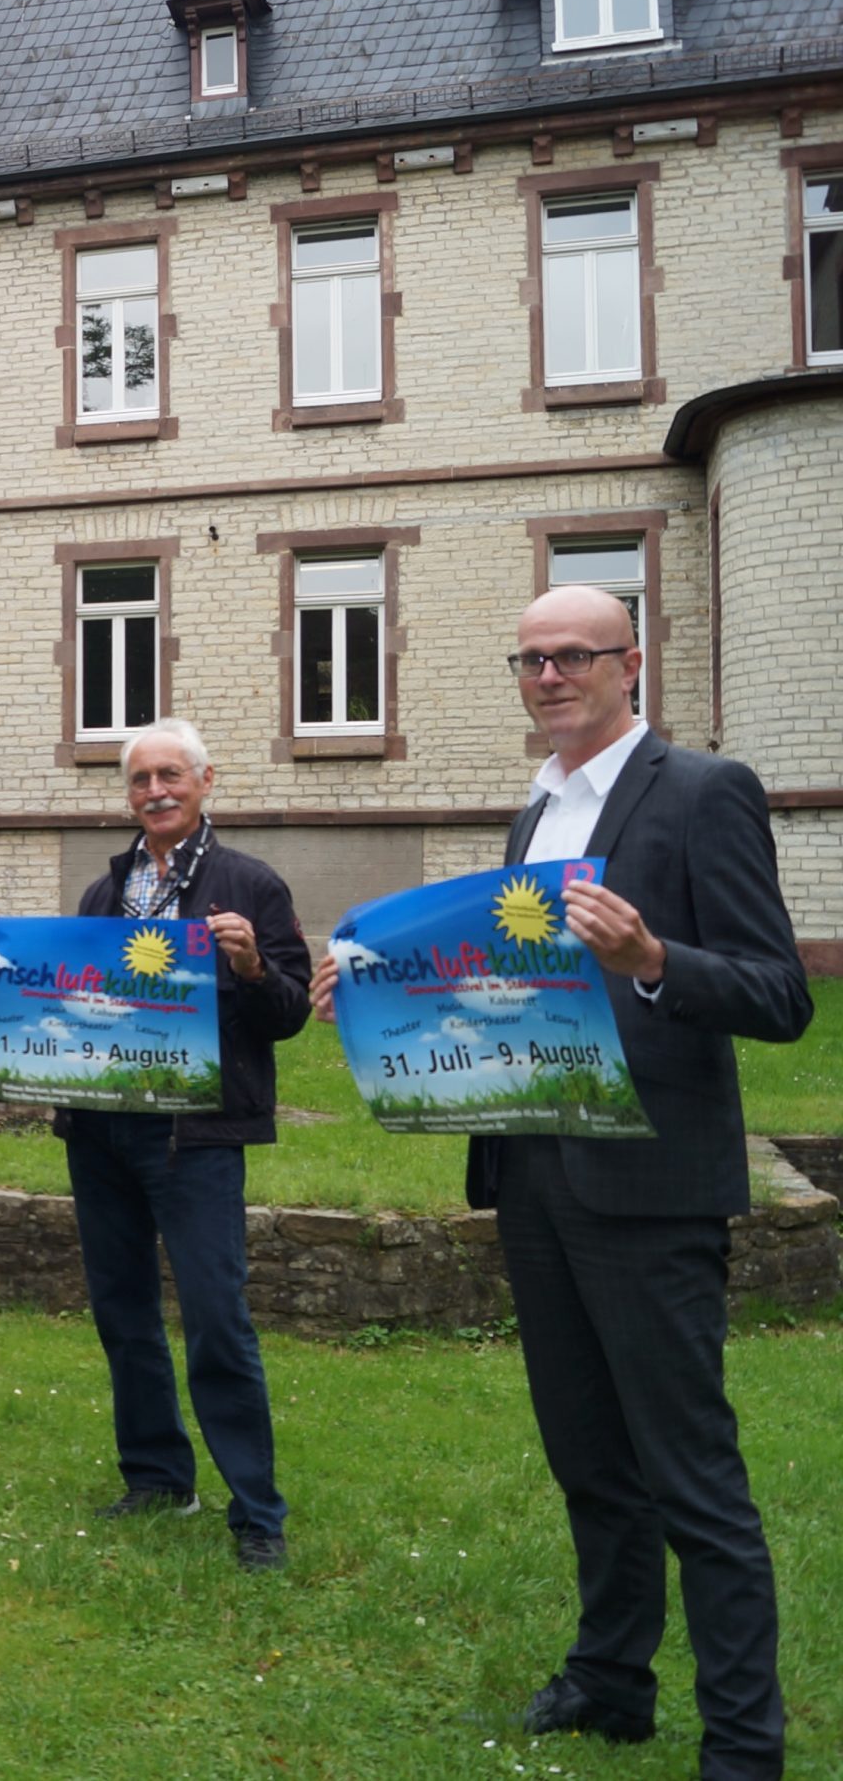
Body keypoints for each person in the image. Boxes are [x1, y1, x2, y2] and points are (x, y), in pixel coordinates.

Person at [314, 588, 808, 1778]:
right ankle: (610, 1678)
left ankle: (743, 1738)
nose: (548, 676)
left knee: (691, 1470)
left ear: (628, 663)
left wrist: (650, 958)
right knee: (587, 1454)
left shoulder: (701, 792)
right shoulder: (537, 807)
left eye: (572, 655)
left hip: (650, 1184)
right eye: (528, 659)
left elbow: (777, 992)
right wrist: (375, 989)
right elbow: (510, 982)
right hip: (532, 1170)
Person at [0, 717, 307, 1569]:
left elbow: (291, 1011)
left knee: (217, 1318)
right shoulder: (103, 893)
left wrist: (255, 968)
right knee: (123, 1311)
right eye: (140, 779)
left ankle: (256, 1510)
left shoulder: (248, 884)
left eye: (169, 776)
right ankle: (158, 1477)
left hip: (195, 1137)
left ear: (205, 781)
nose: (154, 791)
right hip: (100, 1129)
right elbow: (70, 998)